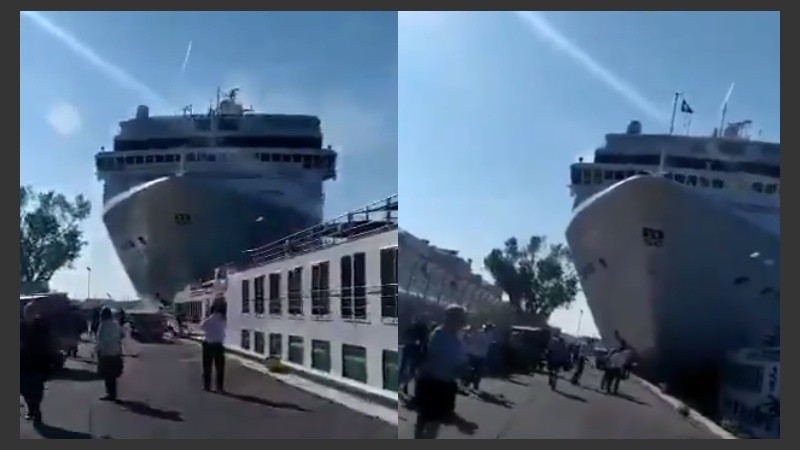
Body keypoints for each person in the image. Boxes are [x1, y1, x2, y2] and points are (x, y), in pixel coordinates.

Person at [414, 305, 469, 438]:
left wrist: (462, 367)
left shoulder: (457, 336)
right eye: (461, 319)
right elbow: (434, 357)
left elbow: (458, 357)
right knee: (428, 418)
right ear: (452, 319)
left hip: (446, 382)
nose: (463, 322)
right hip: (433, 382)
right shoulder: (440, 334)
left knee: (436, 419)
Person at [20, 303, 59, 423]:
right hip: (23, 363)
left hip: (38, 363)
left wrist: (52, 360)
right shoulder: (21, 326)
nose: (28, 315)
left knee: (36, 389)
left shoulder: (42, 327)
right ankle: (31, 409)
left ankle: (36, 410)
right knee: (24, 389)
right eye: (27, 312)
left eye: (30, 312)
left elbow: (49, 344)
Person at [95, 307, 125, 402]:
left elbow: (100, 340)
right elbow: (123, 334)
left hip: (106, 353)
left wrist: (97, 351)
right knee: (112, 375)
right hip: (116, 352)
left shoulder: (102, 325)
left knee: (107, 375)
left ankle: (110, 394)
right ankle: (113, 393)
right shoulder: (116, 324)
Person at [201, 299, 227, 392]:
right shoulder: (223, 320)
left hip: (208, 345)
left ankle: (207, 386)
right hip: (219, 345)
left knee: (207, 367)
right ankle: (220, 387)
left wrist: (206, 316)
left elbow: (202, 327)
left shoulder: (208, 319)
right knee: (220, 368)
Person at [399, 317, 429, 395]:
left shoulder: (411, 328)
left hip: (411, 350)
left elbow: (404, 337)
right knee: (413, 370)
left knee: (406, 368)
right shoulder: (421, 329)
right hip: (417, 351)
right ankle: (406, 386)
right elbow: (425, 341)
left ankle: (404, 386)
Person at [464, 324, 492, 390]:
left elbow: (487, 345)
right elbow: (470, 340)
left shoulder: (487, 335)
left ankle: (473, 384)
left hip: (479, 355)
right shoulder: (479, 333)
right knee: (473, 370)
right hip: (475, 354)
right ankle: (469, 383)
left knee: (477, 371)